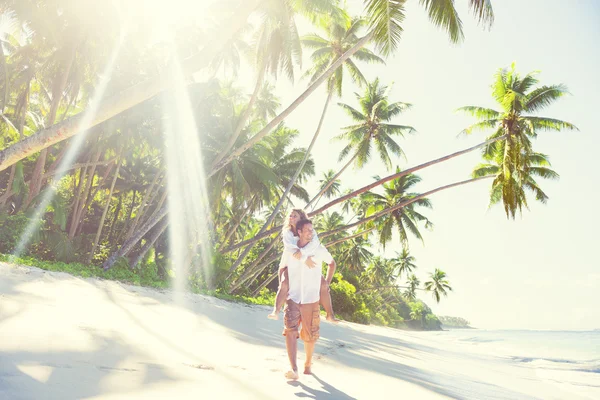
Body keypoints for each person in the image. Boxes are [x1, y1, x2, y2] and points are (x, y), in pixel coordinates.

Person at [281, 218, 336, 380]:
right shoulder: (291, 249)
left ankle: (307, 364)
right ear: (299, 232)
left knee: (310, 335)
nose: (311, 233)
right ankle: (293, 368)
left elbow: (332, 263)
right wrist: (282, 286)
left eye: (312, 230)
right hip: (293, 297)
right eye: (308, 230)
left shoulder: (318, 249)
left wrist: (326, 283)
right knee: (290, 331)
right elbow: (282, 267)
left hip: (311, 298)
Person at [267, 209, 337, 323]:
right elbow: (290, 248)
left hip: (307, 270)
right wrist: (304, 258)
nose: (291, 218)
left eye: (295, 216)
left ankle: (330, 314)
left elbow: (315, 244)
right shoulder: (287, 232)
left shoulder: (309, 232)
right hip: (290, 266)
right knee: (284, 283)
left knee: (324, 285)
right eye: (290, 215)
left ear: (301, 219)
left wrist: (304, 253)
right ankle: (276, 311)